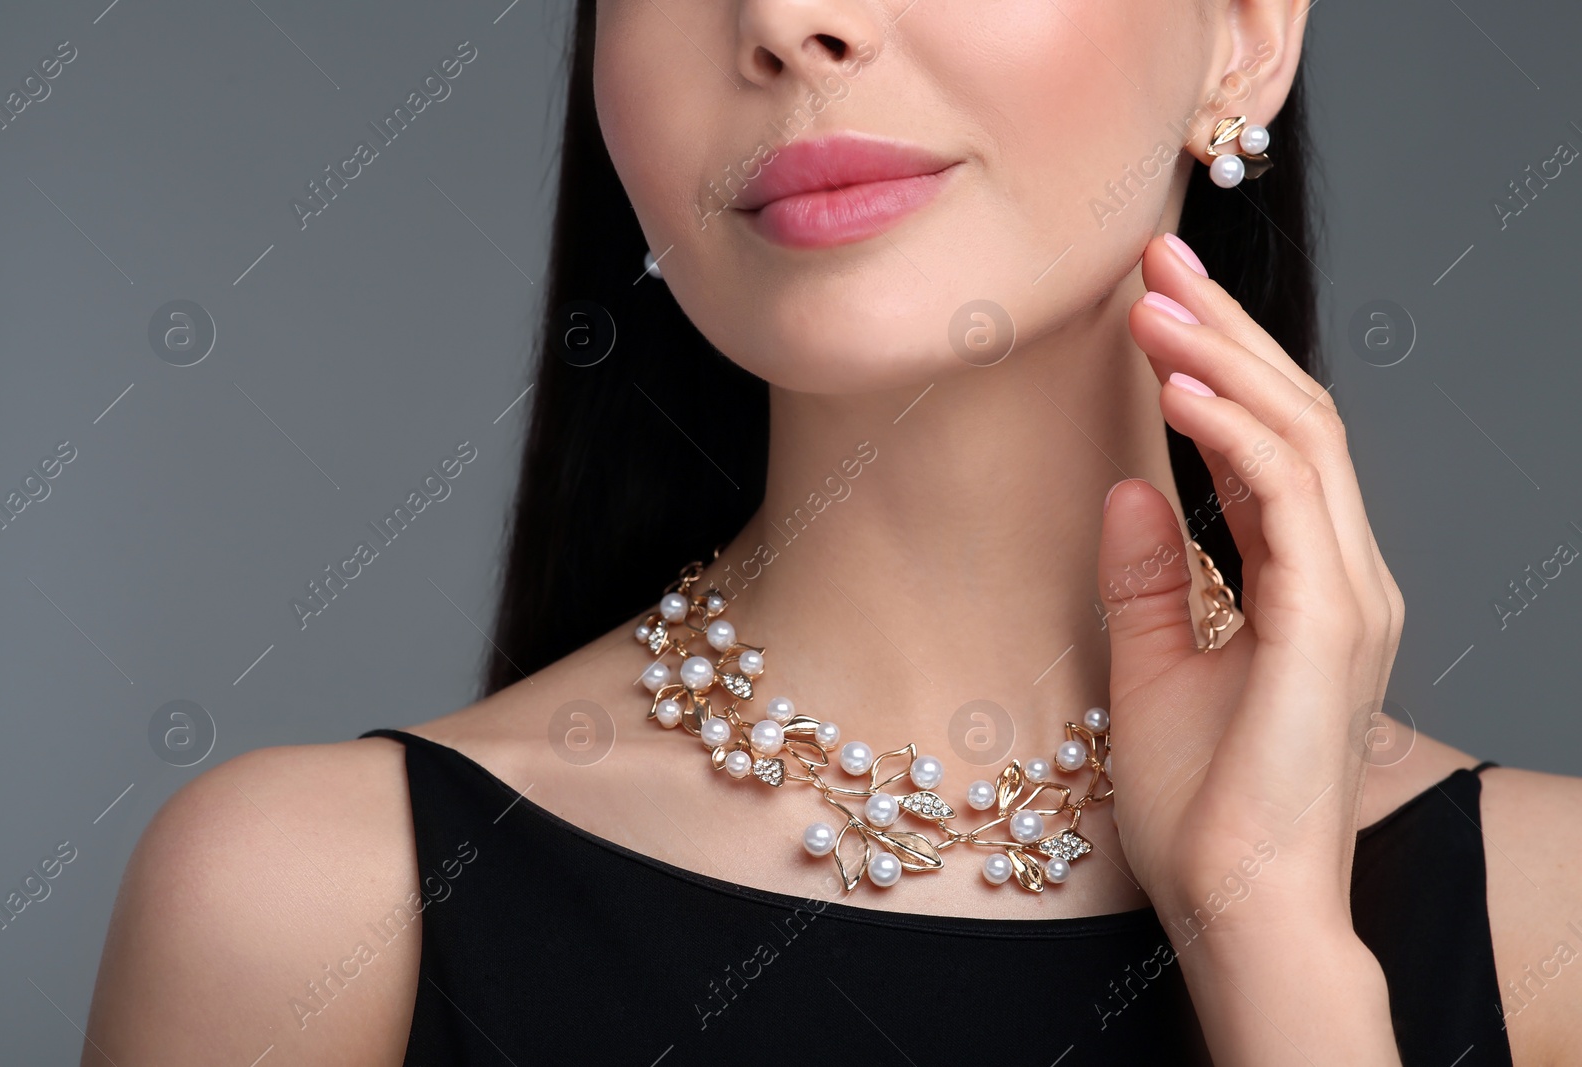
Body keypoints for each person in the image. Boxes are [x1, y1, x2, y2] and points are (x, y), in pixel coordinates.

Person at [84, 1, 1582, 1063]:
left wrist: (1276, 955)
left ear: (1245, 28)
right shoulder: (306, 916)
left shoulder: (1552, 923)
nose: (791, 19)